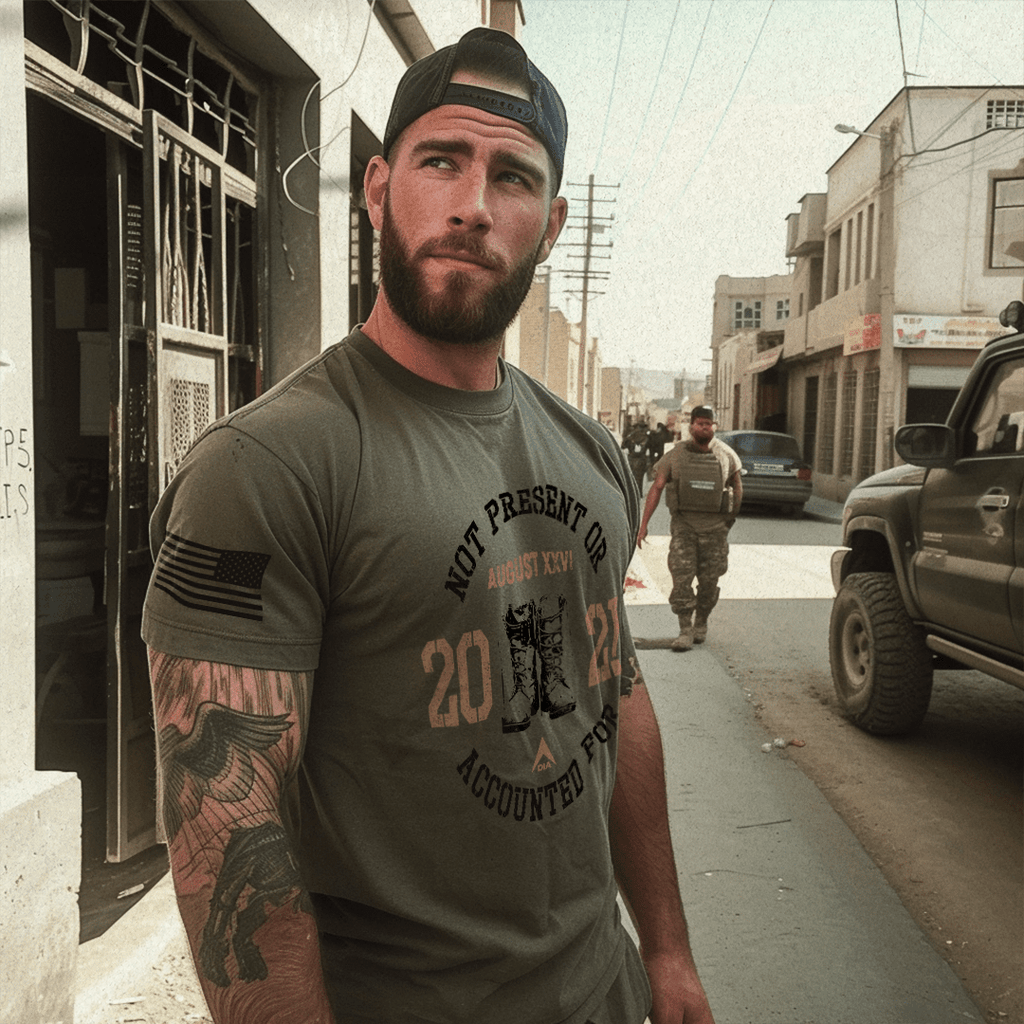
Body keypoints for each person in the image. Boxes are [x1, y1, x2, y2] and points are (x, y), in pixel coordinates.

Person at [143, 26, 715, 1024]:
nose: (471, 205)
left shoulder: (587, 453)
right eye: (440, 161)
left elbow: (613, 696)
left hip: (605, 992)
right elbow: (225, 820)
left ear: (550, 223)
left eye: (512, 178)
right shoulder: (270, 464)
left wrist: (665, 953)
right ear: (375, 188)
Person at [636, 407, 742, 652]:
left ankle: (701, 623)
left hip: (715, 530)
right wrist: (644, 525)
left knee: (709, 582)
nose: (706, 427)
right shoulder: (675, 455)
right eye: (701, 423)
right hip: (684, 528)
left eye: (710, 424)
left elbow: (737, 487)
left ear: (714, 426)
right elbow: (657, 487)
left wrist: (730, 519)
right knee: (681, 579)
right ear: (692, 426)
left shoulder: (727, 455)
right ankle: (685, 630)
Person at [622, 419, 650, 494]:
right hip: (641, 459)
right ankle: (639, 492)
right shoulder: (646, 437)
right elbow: (649, 449)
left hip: (632, 458)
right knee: (640, 477)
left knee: (632, 476)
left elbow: (623, 446)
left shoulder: (630, 436)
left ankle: (632, 492)